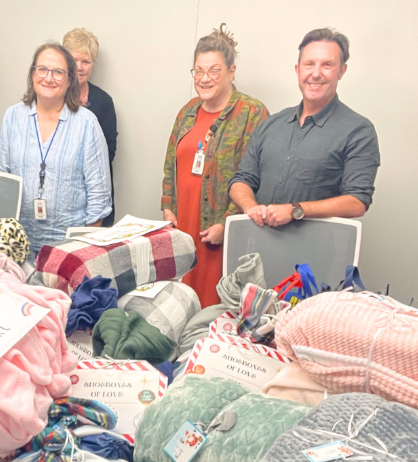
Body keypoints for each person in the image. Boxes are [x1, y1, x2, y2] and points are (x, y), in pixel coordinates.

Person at [161, 25, 270, 305]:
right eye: (199, 71)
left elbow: (261, 178)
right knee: (180, 305)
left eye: (214, 70)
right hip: (183, 228)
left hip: (222, 234)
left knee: (214, 312)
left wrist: (228, 224)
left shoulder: (252, 114)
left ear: (231, 71)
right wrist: (167, 206)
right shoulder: (187, 111)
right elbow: (170, 165)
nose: (205, 78)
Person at [229, 28, 379, 228]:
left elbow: (357, 202)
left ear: (341, 71)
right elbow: (242, 179)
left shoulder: (358, 131)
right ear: (298, 69)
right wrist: (251, 207)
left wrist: (295, 210)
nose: (315, 73)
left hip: (315, 253)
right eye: (309, 64)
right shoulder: (272, 124)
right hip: (259, 246)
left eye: (327, 65)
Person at [0, 42, 112, 252]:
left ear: (69, 80)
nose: (48, 78)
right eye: (42, 69)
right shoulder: (13, 117)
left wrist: (80, 254)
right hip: (18, 244)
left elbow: (99, 198)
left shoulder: (86, 124)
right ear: (32, 74)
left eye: (58, 72)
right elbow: (1, 185)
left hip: (69, 247)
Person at [62, 28, 117, 222]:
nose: (79, 67)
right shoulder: (51, 98)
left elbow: (109, 150)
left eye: (85, 61)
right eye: (74, 60)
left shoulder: (103, 102)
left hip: (94, 196)